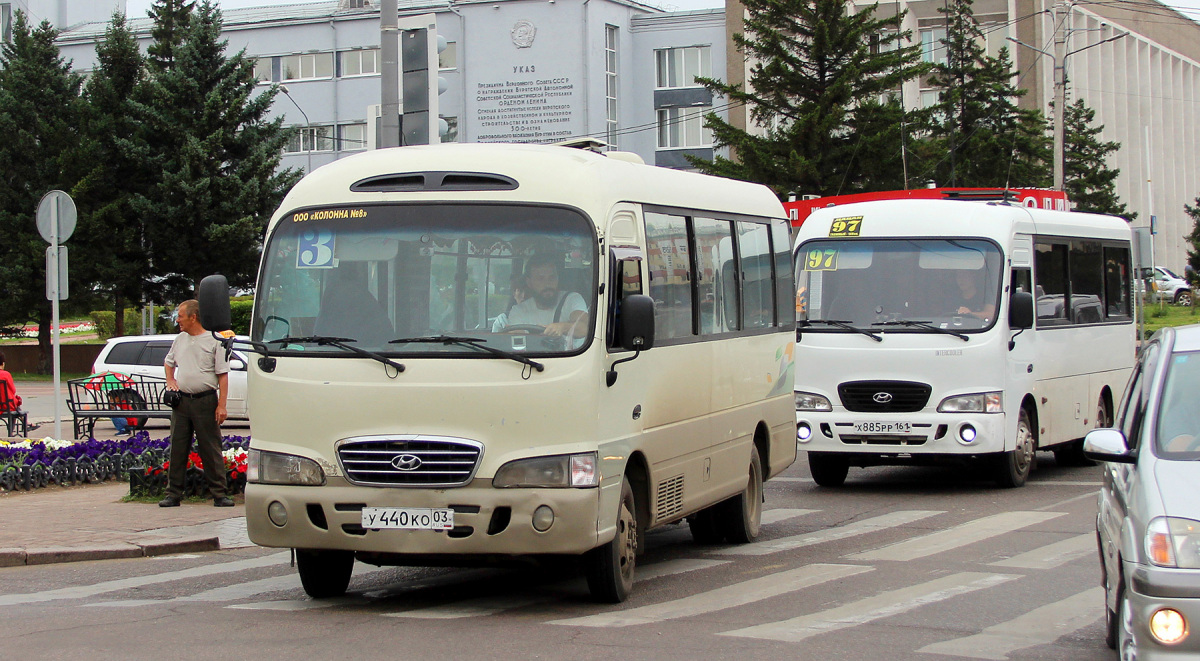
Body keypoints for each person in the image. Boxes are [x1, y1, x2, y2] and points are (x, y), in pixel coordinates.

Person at [159, 299, 233, 508]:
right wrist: (170, 380)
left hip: (205, 401)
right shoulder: (180, 339)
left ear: (193, 317)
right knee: (178, 447)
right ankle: (173, 494)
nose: (178, 320)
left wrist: (222, 405)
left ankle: (219, 494)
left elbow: (223, 376)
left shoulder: (214, 341)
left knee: (210, 448)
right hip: (182, 401)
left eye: (181, 316)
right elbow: (168, 362)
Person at [497, 253, 588, 338]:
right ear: (529, 282)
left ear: (558, 278)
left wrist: (562, 327)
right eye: (540, 279)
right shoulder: (518, 311)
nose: (547, 284)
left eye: (552, 277)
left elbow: (585, 327)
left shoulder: (572, 299)